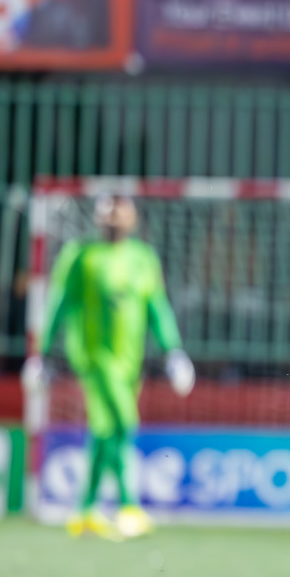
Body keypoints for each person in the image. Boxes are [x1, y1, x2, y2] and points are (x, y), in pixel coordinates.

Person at [23, 196, 194, 541]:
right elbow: (59, 304)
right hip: (93, 357)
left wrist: (173, 350)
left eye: (120, 214)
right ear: (99, 218)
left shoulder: (143, 259)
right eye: (108, 214)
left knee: (104, 430)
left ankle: (84, 509)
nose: (113, 221)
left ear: (132, 219)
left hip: (129, 361)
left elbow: (157, 307)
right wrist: (40, 353)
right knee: (123, 421)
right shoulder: (81, 256)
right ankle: (129, 507)